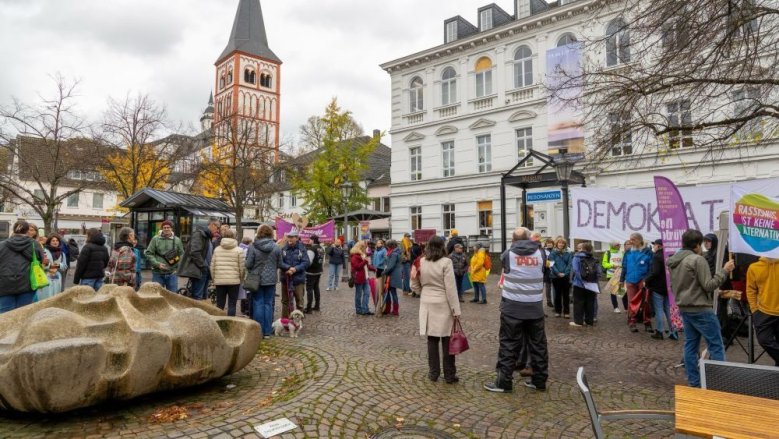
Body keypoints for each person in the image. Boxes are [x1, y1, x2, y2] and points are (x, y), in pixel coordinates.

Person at [668, 229, 735, 388]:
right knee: (716, 345)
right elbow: (709, 285)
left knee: (690, 346)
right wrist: (724, 271)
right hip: (700, 308)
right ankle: (720, 384)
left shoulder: (674, 261)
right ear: (697, 245)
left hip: (685, 308)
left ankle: (695, 382)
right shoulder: (697, 260)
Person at [484, 227, 548, 393]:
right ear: (529, 238)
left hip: (512, 307)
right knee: (538, 345)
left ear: (513, 239)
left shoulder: (507, 254)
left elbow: (505, 265)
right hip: (534, 306)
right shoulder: (541, 254)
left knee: (509, 345)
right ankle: (539, 380)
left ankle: (504, 381)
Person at [411, 235, 462, 384]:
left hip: (427, 302)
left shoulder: (421, 261)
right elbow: (451, 288)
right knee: (447, 339)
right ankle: (449, 374)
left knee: (432, 339)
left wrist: (423, 292)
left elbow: (413, 283)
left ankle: (433, 373)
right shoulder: (446, 262)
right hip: (443, 303)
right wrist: (456, 310)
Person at [246, 224, 283, 337]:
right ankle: (267, 331)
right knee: (268, 304)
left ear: (259, 233)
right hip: (271, 280)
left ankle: (258, 331)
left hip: (257, 279)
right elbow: (280, 264)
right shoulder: (276, 247)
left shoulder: (253, 247)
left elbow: (248, 264)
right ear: (271, 233)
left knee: (258, 303)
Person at [0, 220, 43, 313]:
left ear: (13, 229)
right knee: (24, 315)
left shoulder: (2, 245)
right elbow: (41, 261)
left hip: (4, 285)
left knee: (5, 317)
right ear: (27, 230)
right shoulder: (34, 244)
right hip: (27, 284)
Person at [746, 256, 779, 366]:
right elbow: (750, 289)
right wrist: (754, 309)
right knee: (764, 340)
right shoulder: (754, 267)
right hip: (763, 312)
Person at [620, 232, 654, 332]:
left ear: (639, 240)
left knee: (645, 302)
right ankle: (632, 322)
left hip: (643, 280)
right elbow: (624, 266)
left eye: (633, 239)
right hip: (630, 280)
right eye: (630, 239)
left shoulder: (648, 252)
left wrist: (646, 279)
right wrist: (622, 279)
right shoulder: (628, 252)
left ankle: (647, 322)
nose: (631, 241)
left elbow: (651, 267)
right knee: (632, 302)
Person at [645, 239, 677, 340]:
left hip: (658, 287)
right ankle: (673, 331)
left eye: (655, 245)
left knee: (658, 309)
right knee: (668, 309)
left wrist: (646, 280)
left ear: (659, 246)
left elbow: (655, 272)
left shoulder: (657, 256)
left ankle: (659, 331)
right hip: (668, 287)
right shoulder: (671, 255)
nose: (654, 247)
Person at [179, 219, 219, 299]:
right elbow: (194, 252)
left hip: (204, 270)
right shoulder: (199, 234)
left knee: (203, 297)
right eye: (217, 227)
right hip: (199, 270)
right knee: (197, 298)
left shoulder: (207, 236)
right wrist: (203, 265)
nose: (217, 230)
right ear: (212, 225)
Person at [210, 228, 245, 316]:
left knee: (219, 305)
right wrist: (240, 279)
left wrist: (214, 279)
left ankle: (219, 323)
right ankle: (230, 324)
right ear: (235, 237)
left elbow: (212, 267)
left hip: (220, 281)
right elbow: (242, 268)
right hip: (234, 281)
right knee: (232, 305)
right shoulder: (239, 250)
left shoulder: (217, 249)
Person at [144, 221, 184, 292]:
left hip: (172, 273)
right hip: (157, 273)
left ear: (171, 229)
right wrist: (157, 264)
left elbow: (182, 255)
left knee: (173, 296)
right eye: (164, 227)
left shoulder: (177, 240)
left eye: (168, 227)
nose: (166, 229)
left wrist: (177, 269)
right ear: (162, 229)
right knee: (156, 295)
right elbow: (149, 253)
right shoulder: (155, 239)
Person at [280, 230, 310, 318]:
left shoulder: (302, 248)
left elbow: (306, 262)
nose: (289, 239)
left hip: (298, 279)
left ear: (296, 238)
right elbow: (279, 262)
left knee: (299, 301)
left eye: (292, 237)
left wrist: (295, 269)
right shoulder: (283, 248)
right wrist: (288, 268)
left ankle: (298, 321)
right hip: (285, 278)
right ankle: (285, 320)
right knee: (285, 301)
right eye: (288, 237)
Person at [570, 242, 600, 327]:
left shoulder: (577, 257)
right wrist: (594, 280)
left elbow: (575, 270)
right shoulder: (594, 258)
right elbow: (599, 272)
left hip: (579, 284)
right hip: (592, 284)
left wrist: (582, 280)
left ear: (583, 249)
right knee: (590, 302)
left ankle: (578, 322)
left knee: (578, 302)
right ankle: (589, 321)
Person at [37, 234, 68, 300]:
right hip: (45, 277)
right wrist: (49, 266)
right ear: (49, 242)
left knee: (56, 298)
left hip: (57, 278)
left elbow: (65, 266)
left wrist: (57, 266)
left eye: (57, 240)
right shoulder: (43, 251)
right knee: (46, 298)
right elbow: (40, 264)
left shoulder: (62, 254)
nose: (55, 242)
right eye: (53, 241)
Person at [350, 240, 375, 315]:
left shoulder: (363, 255)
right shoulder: (355, 256)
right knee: (359, 294)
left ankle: (365, 309)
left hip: (366, 277)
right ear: (361, 247)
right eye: (365, 247)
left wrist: (374, 269)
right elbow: (357, 267)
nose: (366, 248)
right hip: (359, 278)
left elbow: (366, 266)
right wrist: (365, 261)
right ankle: (358, 309)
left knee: (367, 293)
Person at [602, 240, 628, 313]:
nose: (619, 246)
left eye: (619, 244)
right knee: (613, 292)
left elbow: (624, 262)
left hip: (621, 274)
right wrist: (612, 265)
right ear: (613, 245)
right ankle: (616, 307)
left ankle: (626, 308)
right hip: (611, 275)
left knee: (622, 291)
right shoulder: (608, 253)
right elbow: (604, 264)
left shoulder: (622, 253)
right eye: (617, 245)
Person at [549, 238, 572, 318]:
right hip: (556, 276)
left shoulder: (568, 253)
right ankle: (558, 311)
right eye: (559, 243)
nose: (561, 244)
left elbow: (570, 264)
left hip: (565, 276)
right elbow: (551, 265)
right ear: (557, 244)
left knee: (566, 295)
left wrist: (565, 273)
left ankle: (566, 312)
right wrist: (558, 273)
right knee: (557, 295)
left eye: (563, 243)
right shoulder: (552, 253)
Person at [305, 235, 325, 313]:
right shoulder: (321, 248)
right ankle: (317, 306)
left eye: (310, 239)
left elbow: (309, 261)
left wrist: (305, 268)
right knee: (316, 288)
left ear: (313, 240)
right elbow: (322, 260)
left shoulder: (311, 249)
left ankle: (309, 308)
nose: (309, 241)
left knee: (309, 289)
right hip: (318, 271)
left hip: (311, 272)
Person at [382, 240, 402, 316]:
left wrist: (384, 272)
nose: (386, 247)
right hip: (392, 274)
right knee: (388, 292)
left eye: (387, 246)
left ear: (390, 246)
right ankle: (389, 309)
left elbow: (391, 266)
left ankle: (395, 310)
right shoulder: (394, 252)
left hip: (393, 275)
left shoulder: (394, 254)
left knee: (392, 292)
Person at [542, 238, 555, 308]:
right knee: (548, 287)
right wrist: (550, 264)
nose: (549, 244)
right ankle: (549, 301)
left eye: (551, 243)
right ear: (546, 244)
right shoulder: (544, 251)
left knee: (555, 286)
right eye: (548, 243)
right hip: (547, 271)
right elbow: (544, 261)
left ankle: (554, 300)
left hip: (555, 271)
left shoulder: (555, 250)